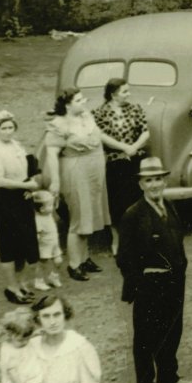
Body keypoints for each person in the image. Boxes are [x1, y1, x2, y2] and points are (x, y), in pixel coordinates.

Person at [115, 156, 192, 383]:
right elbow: (124, 257)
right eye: (149, 180)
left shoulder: (169, 206)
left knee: (172, 329)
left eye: (158, 179)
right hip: (150, 286)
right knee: (147, 336)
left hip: (175, 282)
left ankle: (169, 377)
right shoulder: (133, 215)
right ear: (141, 185)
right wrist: (142, 281)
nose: (155, 184)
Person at [41, 88, 109, 281]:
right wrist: (55, 181)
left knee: (89, 215)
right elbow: (52, 155)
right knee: (78, 218)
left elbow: (97, 136)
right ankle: (74, 264)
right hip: (75, 170)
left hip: (93, 170)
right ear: (68, 104)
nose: (84, 102)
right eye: (79, 100)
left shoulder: (86, 115)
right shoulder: (58, 124)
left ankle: (85, 258)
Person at [0, 111, 41, 304]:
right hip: (6, 202)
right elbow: (0, 181)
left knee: (26, 243)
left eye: (10, 128)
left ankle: (22, 283)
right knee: (9, 246)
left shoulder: (17, 145)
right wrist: (26, 186)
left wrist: (30, 186)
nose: (8, 132)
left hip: (23, 198)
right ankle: (11, 287)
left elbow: (30, 168)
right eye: (3, 128)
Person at [94, 77, 151, 235]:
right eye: (125, 91)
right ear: (113, 95)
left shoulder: (135, 109)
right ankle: (117, 236)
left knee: (138, 197)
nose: (128, 94)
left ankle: (138, 235)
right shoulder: (100, 112)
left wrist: (134, 147)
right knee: (117, 200)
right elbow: (101, 136)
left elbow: (145, 132)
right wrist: (124, 147)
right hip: (114, 161)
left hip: (135, 158)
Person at [30, 187, 63, 290]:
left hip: (54, 243)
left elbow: (54, 202)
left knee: (58, 260)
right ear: (42, 209)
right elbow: (37, 234)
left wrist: (54, 196)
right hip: (44, 245)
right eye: (50, 205)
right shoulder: (38, 220)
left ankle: (53, 276)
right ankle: (39, 281)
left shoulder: (48, 214)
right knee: (42, 263)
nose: (53, 207)